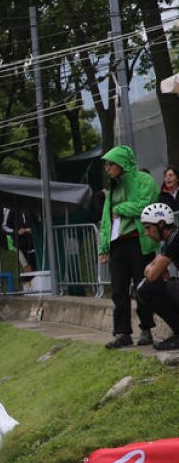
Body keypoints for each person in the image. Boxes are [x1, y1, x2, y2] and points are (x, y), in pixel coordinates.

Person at [99, 145, 158, 349]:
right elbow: (106, 220)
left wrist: (121, 208)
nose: (107, 168)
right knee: (118, 290)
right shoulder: (113, 188)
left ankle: (146, 329)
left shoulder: (144, 180)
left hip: (138, 241)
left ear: (122, 162)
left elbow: (146, 205)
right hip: (118, 245)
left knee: (142, 287)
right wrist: (103, 247)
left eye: (111, 163)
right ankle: (122, 332)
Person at [137, 203, 179, 351]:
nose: (146, 233)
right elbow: (152, 269)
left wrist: (151, 269)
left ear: (161, 224)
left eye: (148, 227)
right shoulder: (171, 240)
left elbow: (152, 274)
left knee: (147, 288)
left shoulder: (175, 239)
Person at [1, 207, 38, 272]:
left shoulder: (30, 204)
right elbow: (4, 227)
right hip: (19, 245)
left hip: (34, 243)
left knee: (38, 268)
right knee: (28, 269)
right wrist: (17, 232)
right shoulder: (9, 208)